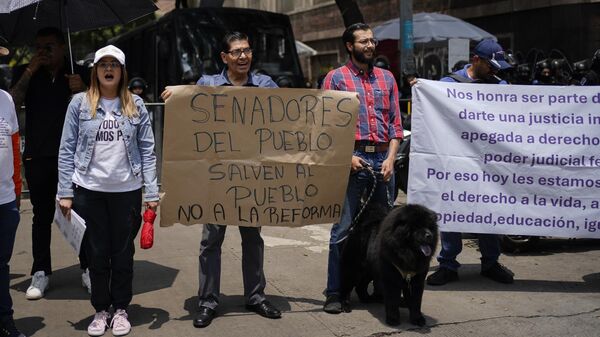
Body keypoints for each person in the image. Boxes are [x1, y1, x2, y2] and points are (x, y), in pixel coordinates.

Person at [161, 31, 282, 328]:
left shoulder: (265, 85)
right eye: (237, 52)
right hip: (216, 177)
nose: (243, 56)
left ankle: (255, 296)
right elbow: (191, 112)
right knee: (211, 240)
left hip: (252, 176)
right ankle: (207, 301)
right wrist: (177, 96)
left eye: (247, 50)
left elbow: (284, 116)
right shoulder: (208, 84)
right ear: (224, 58)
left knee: (252, 238)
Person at [57, 45, 159, 336]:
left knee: (123, 253)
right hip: (89, 190)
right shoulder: (79, 103)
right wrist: (65, 191)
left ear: (122, 71)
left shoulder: (135, 105)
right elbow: (66, 150)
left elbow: (148, 151)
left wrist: (151, 193)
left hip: (127, 191)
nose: (109, 68)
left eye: (115, 64)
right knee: (97, 253)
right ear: (95, 71)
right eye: (103, 64)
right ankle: (101, 310)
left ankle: (122, 309)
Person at [321, 22, 402, 314]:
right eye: (364, 41)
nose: (370, 46)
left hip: (384, 161)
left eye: (372, 41)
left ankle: (382, 287)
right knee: (343, 230)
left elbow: (395, 125)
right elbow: (327, 128)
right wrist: (346, 157)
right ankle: (335, 292)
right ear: (349, 46)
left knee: (384, 230)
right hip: (353, 160)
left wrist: (391, 158)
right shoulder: (336, 79)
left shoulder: (387, 78)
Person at [8, 27, 90, 299]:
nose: (44, 51)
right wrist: (30, 70)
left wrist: (85, 89)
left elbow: (102, 107)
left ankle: (89, 267)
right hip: (38, 155)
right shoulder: (25, 73)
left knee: (81, 214)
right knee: (41, 217)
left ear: (62, 47)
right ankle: (41, 270)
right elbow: (11, 103)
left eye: (49, 46)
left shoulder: (79, 73)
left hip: (75, 157)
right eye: (39, 46)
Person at [426, 39, 514, 286]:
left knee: (488, 211)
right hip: (456, 160)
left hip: (489, 163)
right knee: (452, 211)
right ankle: (448, 264)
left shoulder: (501, 85)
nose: (496, 71)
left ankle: (490, 262)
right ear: (476, 60)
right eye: (491, 65)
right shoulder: (448, 85)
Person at [0, 42, 27, 337]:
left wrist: (17, 193)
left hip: (6, 200)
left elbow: (14, 148)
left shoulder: (5, 99)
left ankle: (5, 320)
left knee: (2, 266)